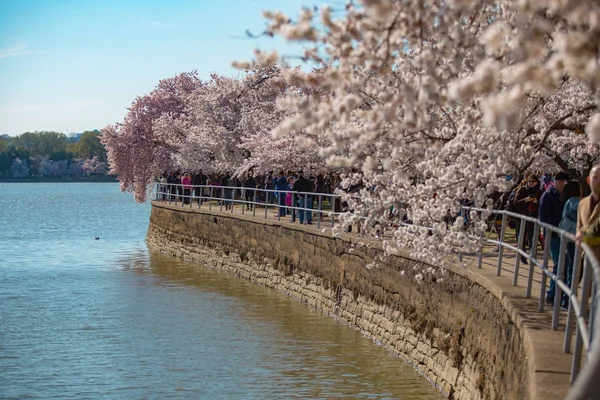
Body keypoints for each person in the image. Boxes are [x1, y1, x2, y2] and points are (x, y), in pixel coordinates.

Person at [539, 171, 569, 303]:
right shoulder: (548, 196)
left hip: (564, 234)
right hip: (553, 234)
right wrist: (560, 224)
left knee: (566, 264)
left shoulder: (566, 196)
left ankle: (561, 294)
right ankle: (551, 294)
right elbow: (543, 218)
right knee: (559, 263)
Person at [557, 181, 581, 309]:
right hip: (572, 238)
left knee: (570, 268)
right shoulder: (575, 202)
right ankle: (567, 300)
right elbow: (578, 216)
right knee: (574, 268)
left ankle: (566, 298)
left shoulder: (568, 202)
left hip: (567, 236)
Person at [513, 174, 543, 264]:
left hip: (532, 217)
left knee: (532, 238)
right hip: (521, 216)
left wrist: (536, 202)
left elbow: (542, 205)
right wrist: (525, 200)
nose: (530, 183)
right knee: (521, 237)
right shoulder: (522, 189)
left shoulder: (539, 192)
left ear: (537, 182)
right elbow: (516, 202)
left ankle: (533, 257)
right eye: (529, 181)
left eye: (533, 181)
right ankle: (522, 257)